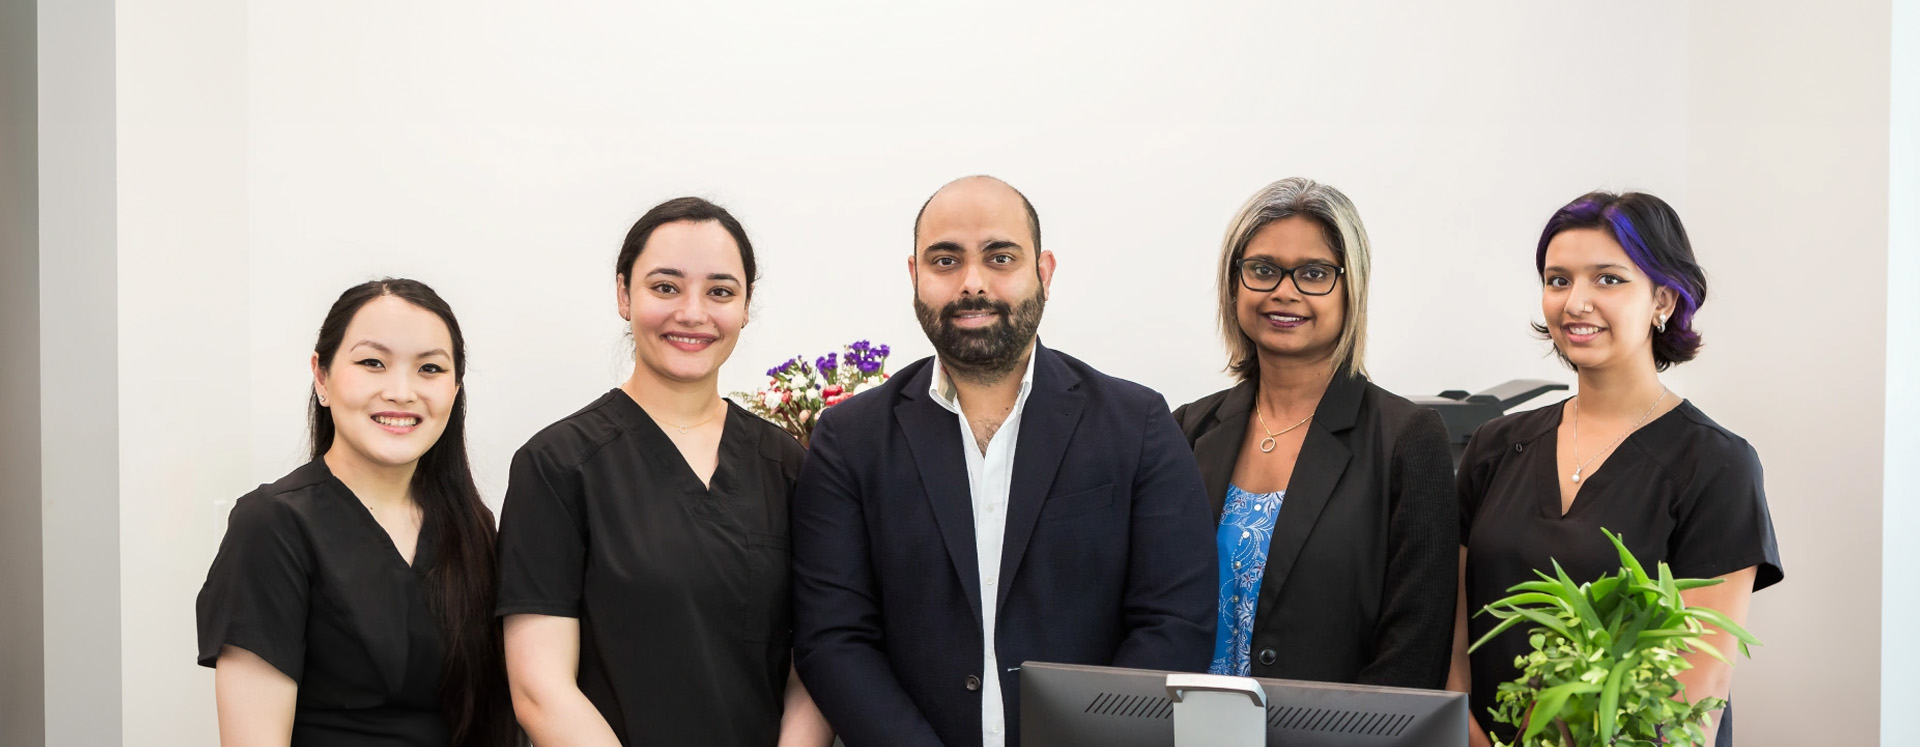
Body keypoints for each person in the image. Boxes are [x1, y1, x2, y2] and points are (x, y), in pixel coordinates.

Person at [790, 175, 1216, 747]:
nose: (972, 283)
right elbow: (833, 639)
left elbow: (1175, 624)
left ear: (1044, 273)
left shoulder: (1137, 424)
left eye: (1000, 257)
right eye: (945, 260)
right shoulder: (850, 439)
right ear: (915, 277)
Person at [1447, 191, 1784, 747]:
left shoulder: (1717, 464)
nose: (1576, 301)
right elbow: (1453, 643)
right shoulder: (1492, 446)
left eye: (1608, 279)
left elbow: (1696, 689)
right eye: (1558, 280)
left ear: (1664, 300)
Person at [495, 197, 832, 747]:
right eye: (666, 287)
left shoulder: (787, 465)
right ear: (624, 295)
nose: (693, 313)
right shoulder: (557, 466)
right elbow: (540, 689)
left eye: (720, 291)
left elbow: (814, 666)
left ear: (746, 307)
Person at [196, 278, 518, 747]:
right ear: (322, 377)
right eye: (372, 363)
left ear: (455, 390)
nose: (402, 392)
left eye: (429, 368)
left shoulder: (472, 525)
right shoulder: (271, 525)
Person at [1171, 177, 1457, 687]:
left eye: (1314, 273)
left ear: (1352, 288)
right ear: (1234, 283)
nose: (1285, 291)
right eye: (1262, 270)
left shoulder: (1407, 439)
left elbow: (1415, 647)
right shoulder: (1188, 428)